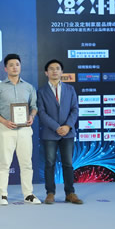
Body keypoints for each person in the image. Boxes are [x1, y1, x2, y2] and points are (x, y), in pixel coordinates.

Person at [0, 53, 42, 205]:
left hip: (25, 129)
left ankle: (28, 194)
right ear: (5, 69)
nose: (14, 67)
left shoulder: (29, 87)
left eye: (17, 64)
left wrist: (32, 116)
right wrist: (4, 122)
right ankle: (3, 195)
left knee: (26, 163)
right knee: (4, 163)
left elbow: (34, 106)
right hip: (6, 129)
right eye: (11, 65)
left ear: (20, 67)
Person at [36, 59, 82, 205]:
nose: (54, 71)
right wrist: (56, 127)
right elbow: (41, 112)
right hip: (50, 133)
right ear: (46, 73)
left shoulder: (70, 89)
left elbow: (75, 109)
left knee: (68, 163)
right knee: (50, 163)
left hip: (68, 132)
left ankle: (70, 193)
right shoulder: (41, 91)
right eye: (51, 68)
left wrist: (67, 126)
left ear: (62, 72)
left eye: (57, 68)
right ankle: (50, 193)